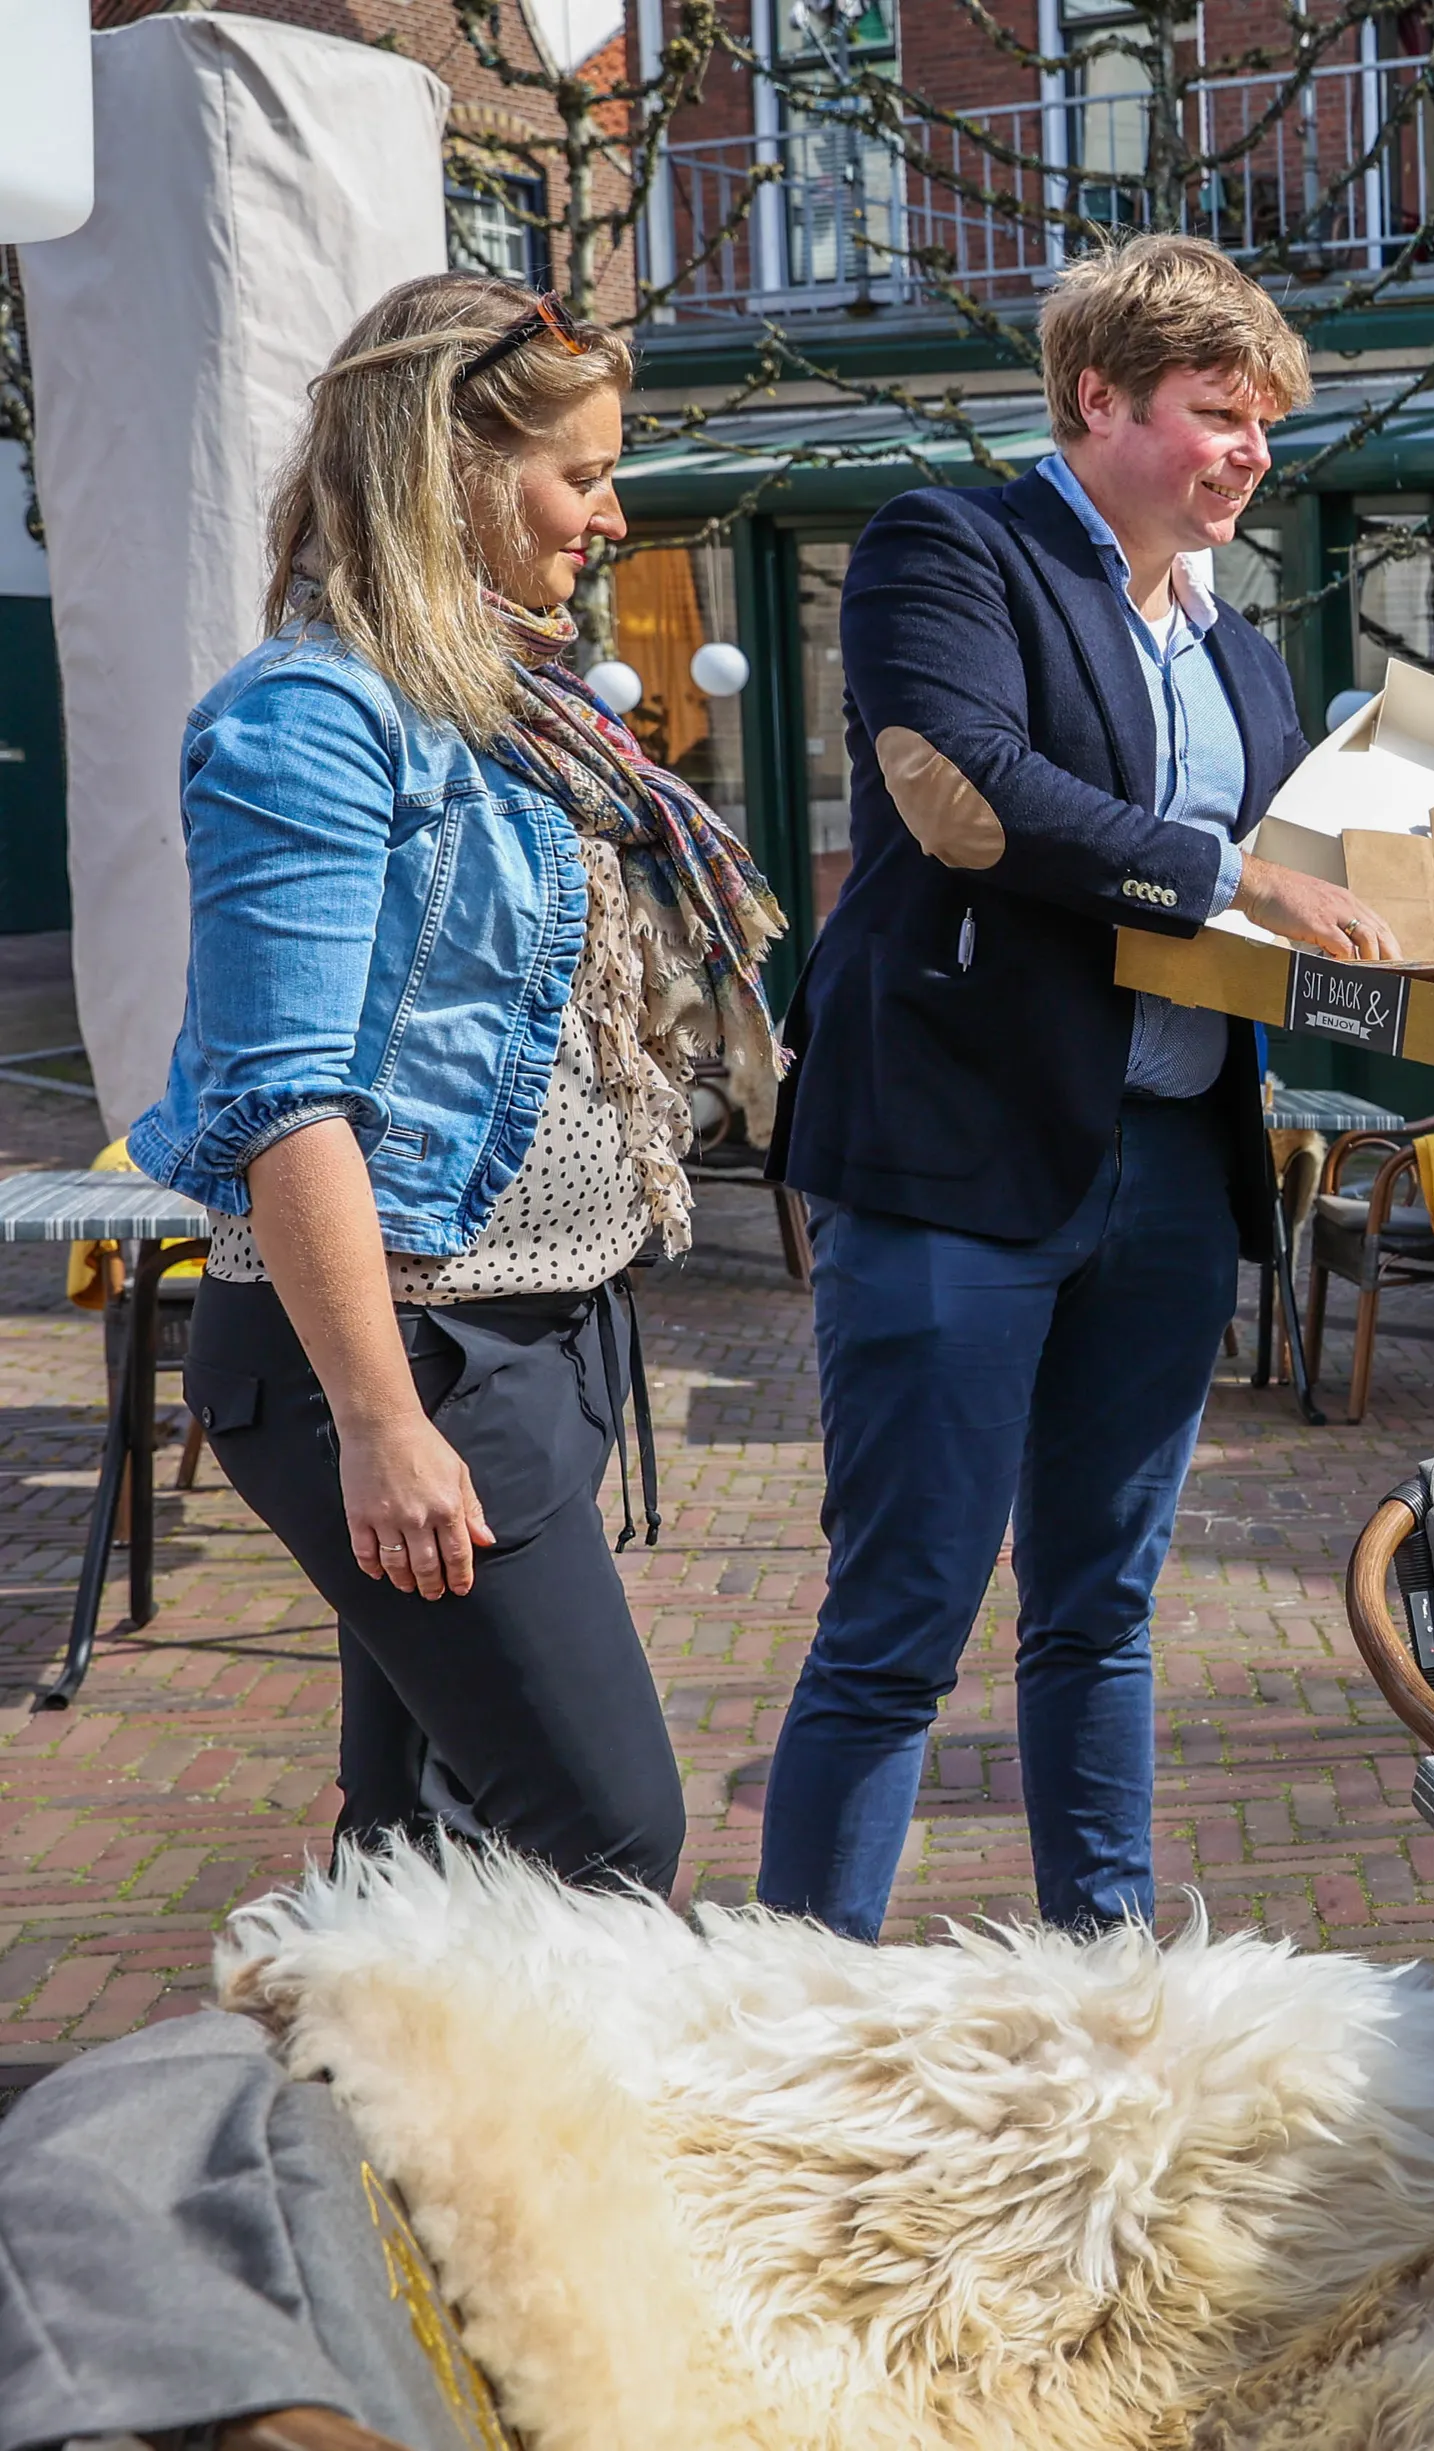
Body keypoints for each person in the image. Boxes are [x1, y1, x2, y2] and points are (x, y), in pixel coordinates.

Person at [755, 234, 1434, 1937]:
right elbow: (971, 793)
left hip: (1176, 1161)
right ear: (1097, 398)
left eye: (1266, 422)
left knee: (1100, 1606)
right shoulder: (950, 551)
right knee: (902, 1620)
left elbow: (1350, 927)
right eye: (1218, 412)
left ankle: (1107, 1969)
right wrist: (1238, 874)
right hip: (958, 1157)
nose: (1252, 450)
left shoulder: (1244, 661)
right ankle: (800, 2005)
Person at [130, 275, 786, 1894]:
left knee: (425, 1843)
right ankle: (538, 2144)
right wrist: (380, 1419)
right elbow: (287, 1099)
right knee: (607, 1828)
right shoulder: (311, 721)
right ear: (454, 473)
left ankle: (356, 2139)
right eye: (580, 475)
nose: (611, 514)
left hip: (534, 1332)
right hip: (407, 1353)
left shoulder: (507, 709)